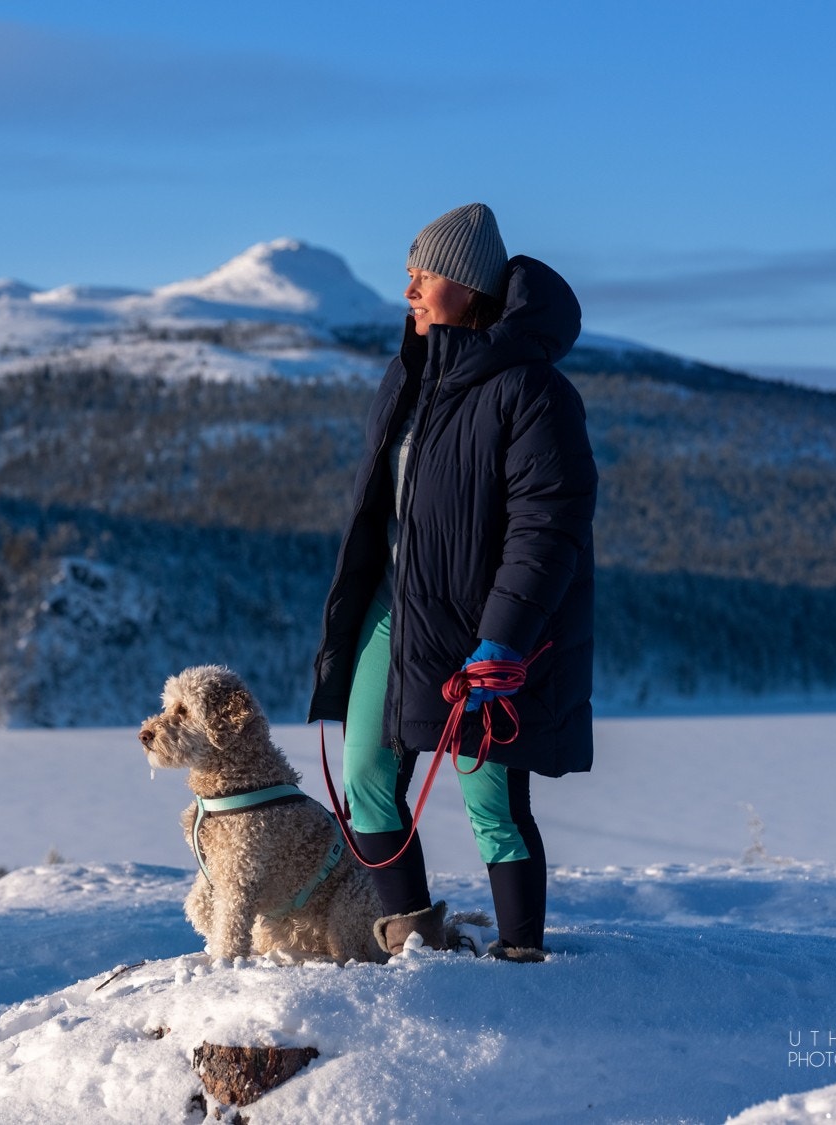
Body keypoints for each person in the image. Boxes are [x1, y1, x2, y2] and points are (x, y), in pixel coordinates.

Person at [309, 202, 597, 961]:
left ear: (468, 287)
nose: (408, 289)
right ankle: (415, 945)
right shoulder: (407, 377)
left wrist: (504, 634)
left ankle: (521, 954)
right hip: (390, 609)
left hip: (478, 629)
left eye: (424, 275)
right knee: (366, 775)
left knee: (490, 801)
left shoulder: (532, 391)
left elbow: (549, 524)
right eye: (407, 274)